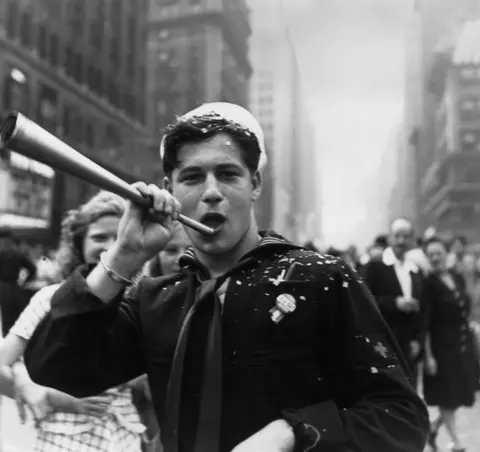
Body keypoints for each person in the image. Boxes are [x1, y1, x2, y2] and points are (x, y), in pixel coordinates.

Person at [24, 102, 428, 452]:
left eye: (228, 174)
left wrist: (294, 433)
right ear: (169, 189)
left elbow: (400, 417)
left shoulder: (320, 280)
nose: (211, 192)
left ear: (255, 184)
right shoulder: (154, 299)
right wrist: (125, 255)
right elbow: (56, 367)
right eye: (193, 177)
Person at [2, 191, 147, 451]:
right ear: (79, 244)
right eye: (99, 237)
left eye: (120, 236)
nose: (112, 246)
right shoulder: (50, 298)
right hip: (65, 440)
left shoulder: (141, 302)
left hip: (124, 439)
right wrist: (41, 391)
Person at [423, 237, 477, 452]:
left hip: (461, 344)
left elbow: (466, 305)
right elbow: (424, 323)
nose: (435, 258)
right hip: (440, 348)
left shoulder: (457, 277)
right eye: (431, 254)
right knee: (447, 395)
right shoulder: (427, 284)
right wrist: (428, 356)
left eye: (439, 253)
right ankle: (457, 443)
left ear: (447, 254)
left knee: (459, 394)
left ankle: (433, 427)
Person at [364, 219, 428, 386]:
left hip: (409, 345)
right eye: (397, 236)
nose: (401, 241)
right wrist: (394, 303)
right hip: (384, 343)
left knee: (410, 392)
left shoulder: (415, 270)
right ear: (390, 238)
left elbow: (423, 309)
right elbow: (365, 301)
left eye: (406, 236)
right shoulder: (375, 266)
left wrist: (418, 340)